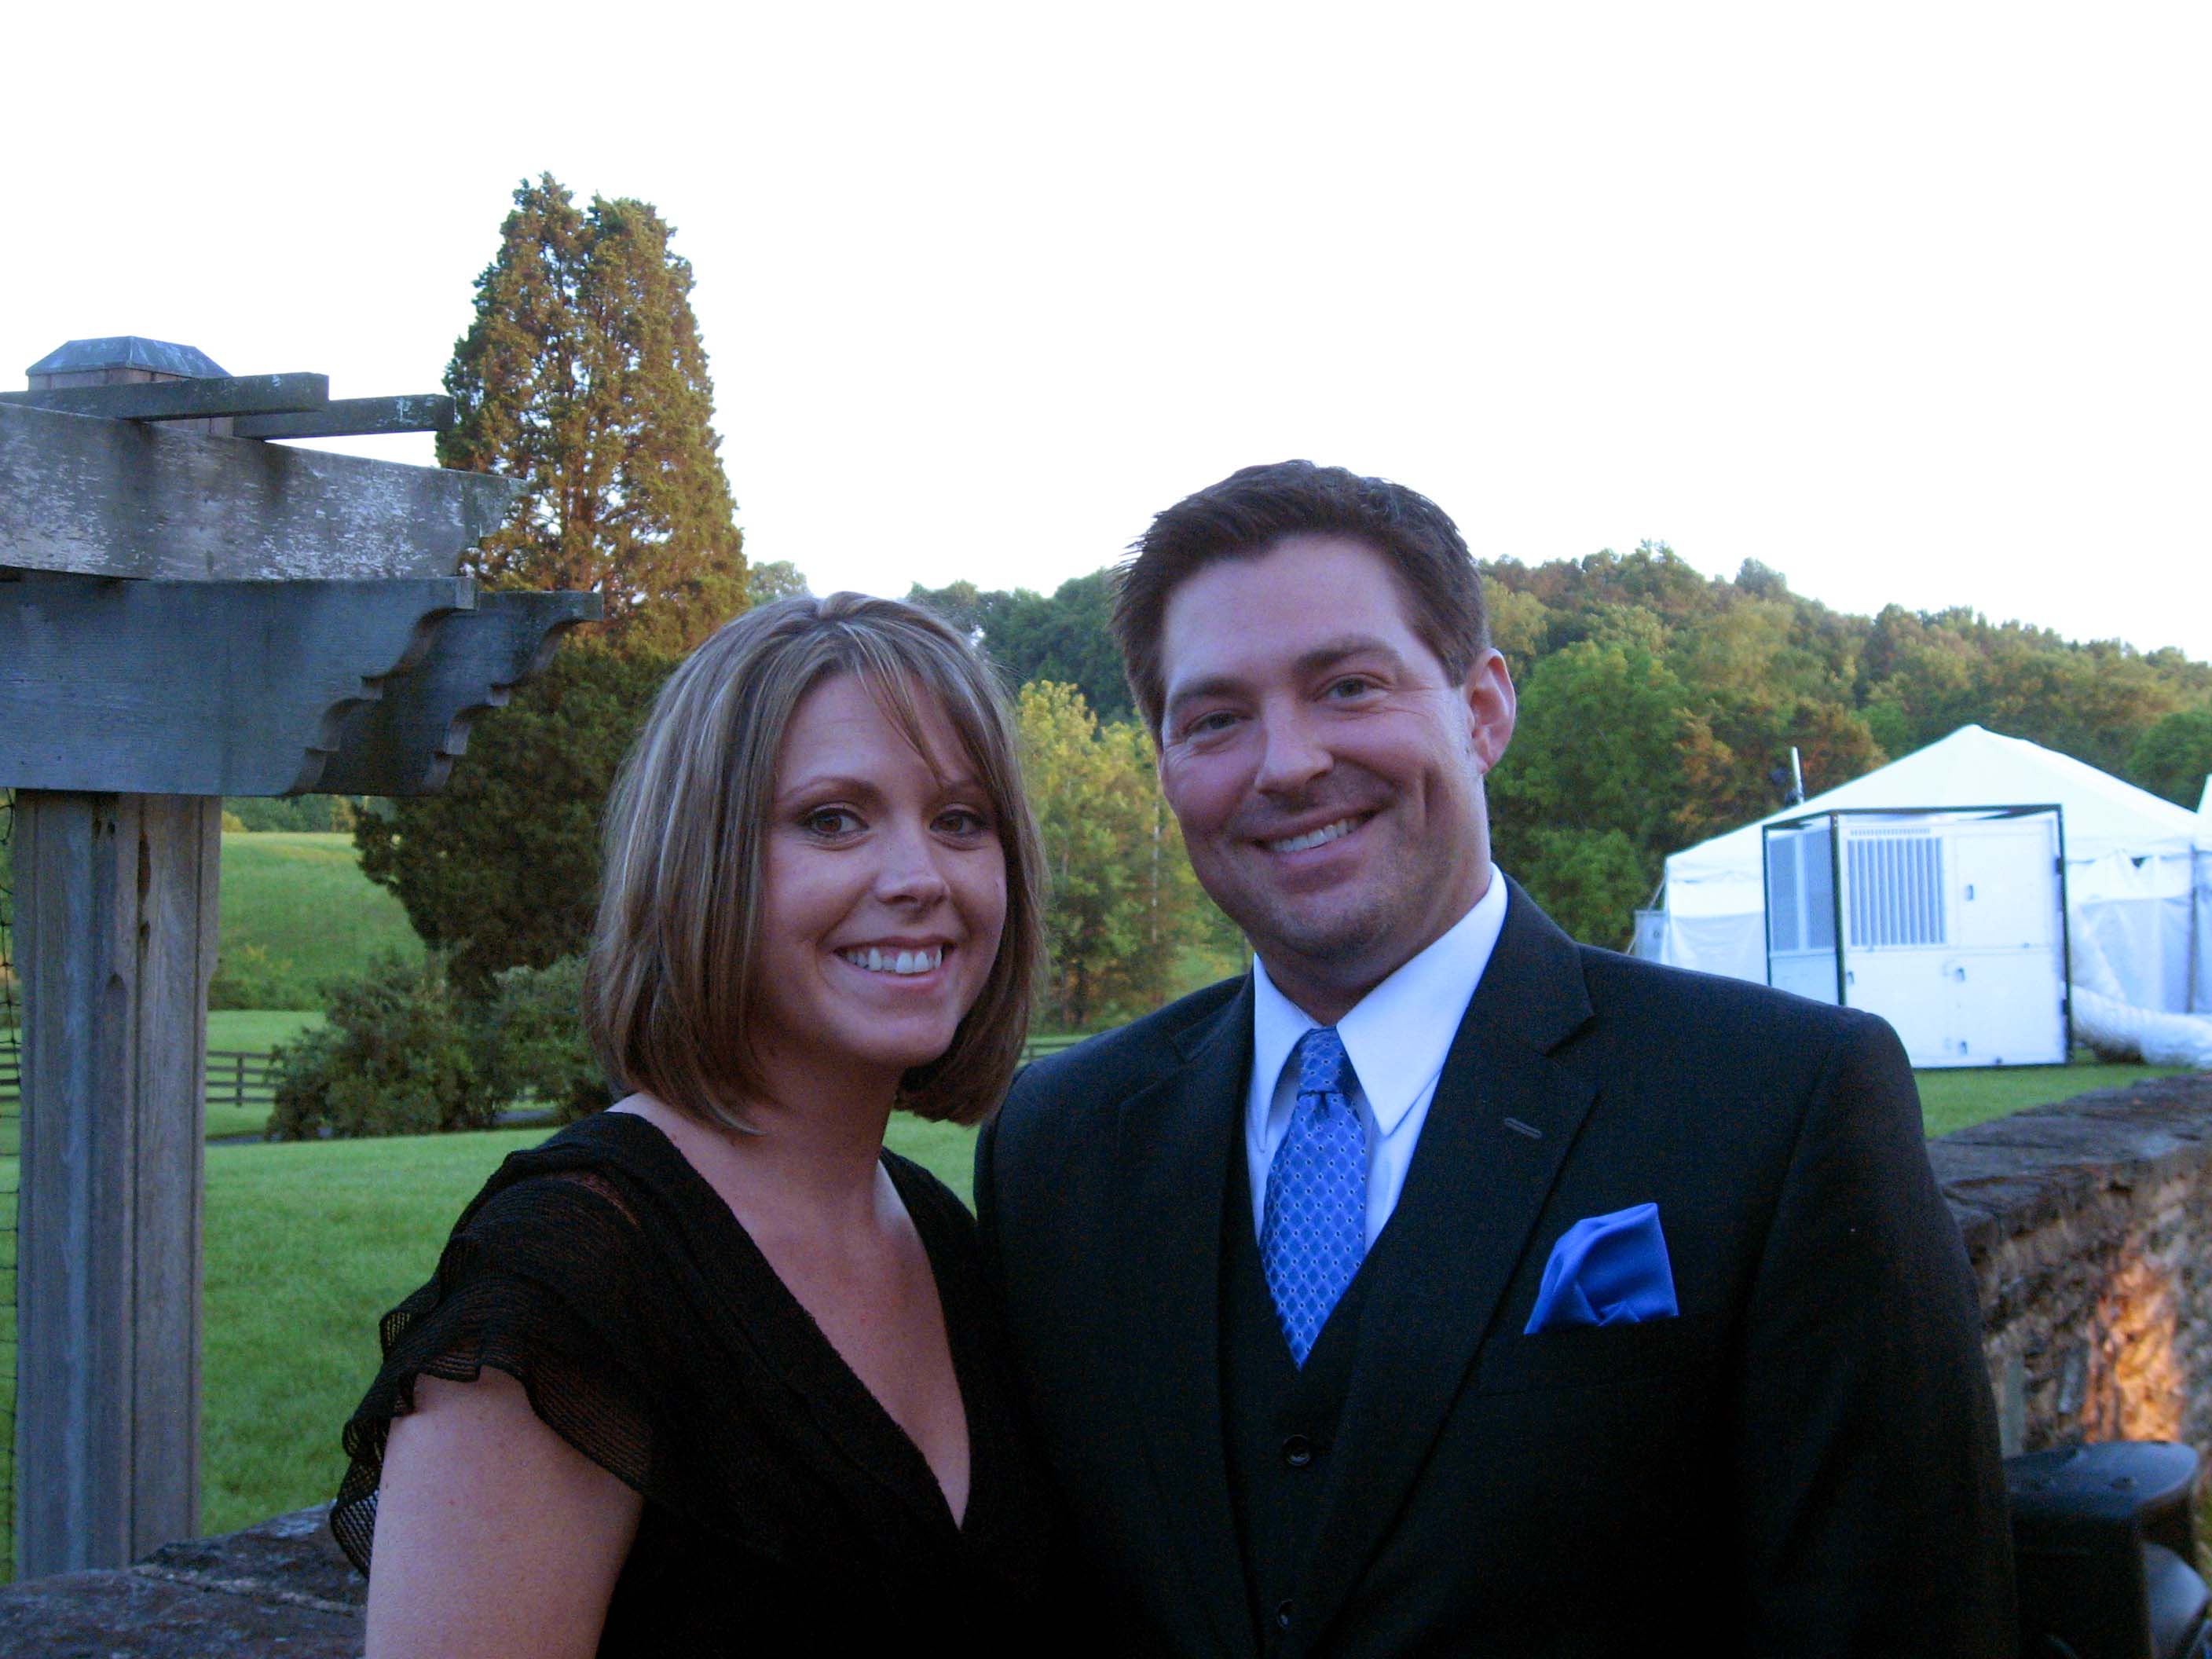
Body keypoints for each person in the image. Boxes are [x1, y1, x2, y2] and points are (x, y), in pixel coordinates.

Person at [975, 461, 2016, 1656]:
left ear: (1483, 709)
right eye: (1215, 719)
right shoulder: (1059, 1147)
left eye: (1349, 686)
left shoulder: (1780, 1104)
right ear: (1165, 764)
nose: (1288, 762)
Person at [334, 593, 1064, 1656]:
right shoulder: (570, 1282)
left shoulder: (946, 1240)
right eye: (833, 819)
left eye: (960, 820)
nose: (920, 878)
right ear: (702, 858)